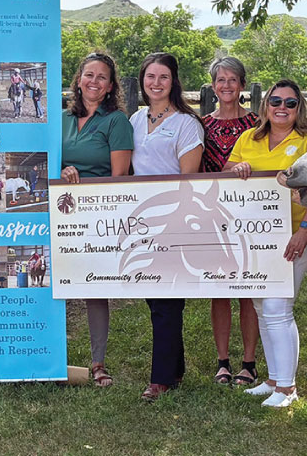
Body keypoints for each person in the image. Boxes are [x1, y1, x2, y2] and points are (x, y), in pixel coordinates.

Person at [224, 78, 307, 409]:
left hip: (292, 238)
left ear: (300, 109)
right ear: (266, 105)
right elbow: (226, 174)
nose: (281, 108)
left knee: (277, 309)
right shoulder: (248, 138)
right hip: (252, 238)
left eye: (290, 103)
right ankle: (272, 379)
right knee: (260, 307)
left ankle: (287, 388)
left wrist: (304, 230)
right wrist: (235, 168)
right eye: (276, 101)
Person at [127, 53, 206, 402]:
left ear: (174, 82)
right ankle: (175, 368)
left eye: (163, 77)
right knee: (156, 296)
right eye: (150, 76)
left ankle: (160, 379)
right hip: (142, 218)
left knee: (166, 298)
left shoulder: (187, 124)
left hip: (173, 217)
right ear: (142, 81)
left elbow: (188, 178)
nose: (156, 83)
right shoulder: (134, 119)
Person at [60, 52, 132, 388]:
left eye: (102, 77)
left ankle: (98, 362)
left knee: (93, 285)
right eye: (89, 74)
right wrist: (61, 173)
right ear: (78, 80)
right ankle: (45, 353)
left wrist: (83, 182)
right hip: (58, 210)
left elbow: (118, 177)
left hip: (96, 213)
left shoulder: (117, 122)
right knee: (51, 281)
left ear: (110, 87)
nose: (94, 81)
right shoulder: (59, 120)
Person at [202, 56, 263, 387]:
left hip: (248, 216)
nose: (226, 86)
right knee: (219, 289)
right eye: (220, 80)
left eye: (232, 80)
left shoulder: (257, 125)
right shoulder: (201, 125)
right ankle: (223, 361)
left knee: (248, 289)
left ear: (242, 84)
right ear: (213, 86)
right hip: (212, 215)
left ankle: (249, 362)